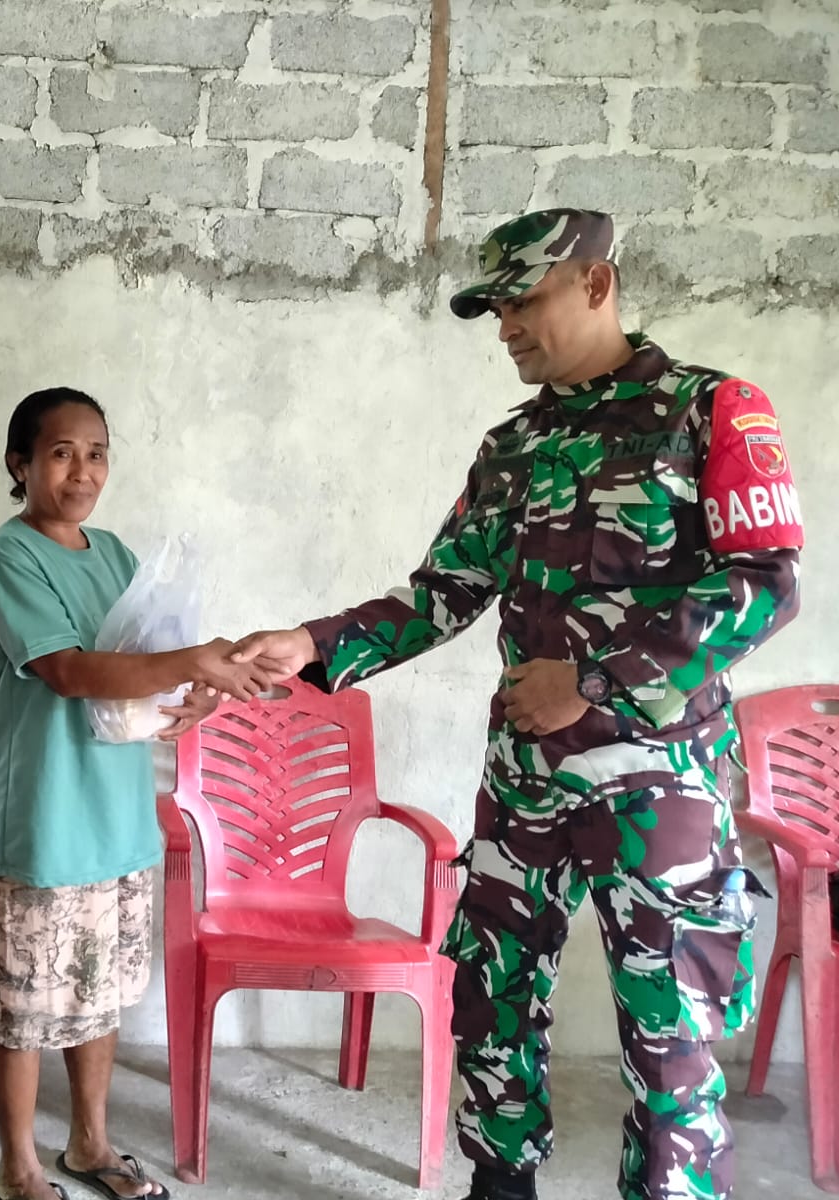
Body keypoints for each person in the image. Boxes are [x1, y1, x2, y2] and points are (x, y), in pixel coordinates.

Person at [233, 209, 802, 1200]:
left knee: (670, 1031)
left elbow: (765, 586)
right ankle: (499, 1185)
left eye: (522, 301)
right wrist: (315, 645)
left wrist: (592, 677)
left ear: (595, 284)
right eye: (495, 310)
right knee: (494, 998)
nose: (505, 328)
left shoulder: (710, 411)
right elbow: (444, 592)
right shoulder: (516, 444)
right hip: (525, 784)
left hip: (658, 788)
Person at [0, 387, 272, 1200]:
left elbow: (151, 660)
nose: (83, 471)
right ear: (19, 464)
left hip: (117, 815)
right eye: (61, 453)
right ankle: (17, 1166)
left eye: (97, 453)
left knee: (96, 994)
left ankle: (89, 1144)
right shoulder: (7, 558)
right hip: (42, 818)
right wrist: (191, 663)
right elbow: (68, 671)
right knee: (24, 1005)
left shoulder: (113, 554)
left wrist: (196, 694)